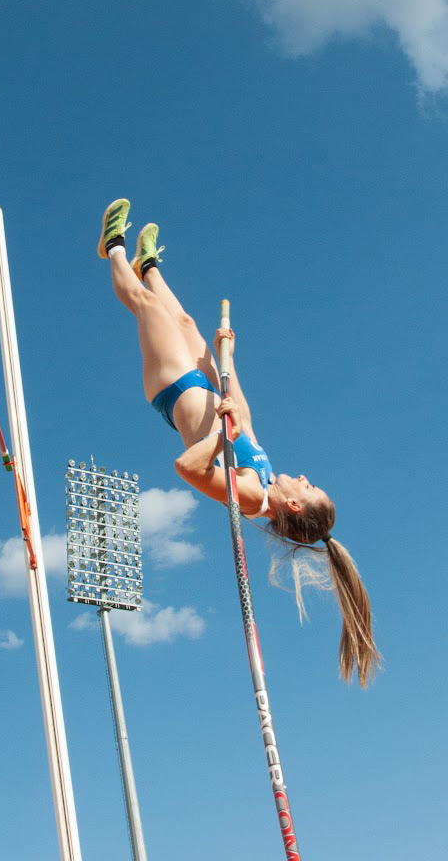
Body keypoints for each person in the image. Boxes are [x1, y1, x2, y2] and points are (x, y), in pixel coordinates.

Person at [98, 198, 381, 687]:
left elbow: (187, 468)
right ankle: (150, 264)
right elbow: (243, 415)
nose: (307, 477)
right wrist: (228, 357)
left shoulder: (252, 496)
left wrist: (220, 436)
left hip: (173, 389)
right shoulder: (266, 474)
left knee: (146, 307)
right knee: (184, 322)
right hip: (203, 384)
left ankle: (113, 248)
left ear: (293, 505)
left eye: (310, 487)